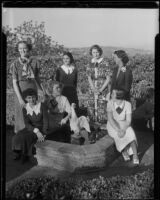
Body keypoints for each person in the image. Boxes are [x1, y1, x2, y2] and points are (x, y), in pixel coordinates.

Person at [10, 40, 44, 133]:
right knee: (21, 113)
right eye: (20, 48)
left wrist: (42, 90)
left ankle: (34, 134)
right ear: (18, 49)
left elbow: (37, 78)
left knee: (33, 112)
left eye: (24, 48)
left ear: (28, 48)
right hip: (21, 91)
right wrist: (20, 98)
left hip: (32, 90)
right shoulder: (15, 64)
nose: (22, 50)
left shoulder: (35, 62)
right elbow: (14, 83)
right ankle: (21, 135)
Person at [12, 89, 48, 164]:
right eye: (29, 98)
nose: (31, 99)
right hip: (30, 127)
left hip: (40, 127)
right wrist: (36, 131)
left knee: (26, 137)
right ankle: (18, 152)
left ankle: (25, 155)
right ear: (25, 99)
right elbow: (27, 123)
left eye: (33, 97)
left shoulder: (42, 106)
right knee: (17, 136)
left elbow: (45, 121)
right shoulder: (25, 108)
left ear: (36, 97)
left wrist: (44, 133)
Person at [106, 87, 139, 164]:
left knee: (131, 134)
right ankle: (124, 151)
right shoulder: (110, 103)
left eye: (112, 94)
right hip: (112, 125)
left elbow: (128, 120)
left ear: (118, 96)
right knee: (118, 135)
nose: (111, 96)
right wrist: (118, 129)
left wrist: (123, 129)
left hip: (125, 124)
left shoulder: (127, 104)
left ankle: (135, 154)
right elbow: (110, 119)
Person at [87, 44, 112, 123]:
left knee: (102, 106)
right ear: (91, 53)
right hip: (92, 88)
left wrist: (100, 90)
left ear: (100, 52)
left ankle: (102, 125)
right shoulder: (90, 63)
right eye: (94, 52)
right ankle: (92, 124)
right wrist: (93, 89)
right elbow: (89, 77)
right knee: (91, 106)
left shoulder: (105, 62)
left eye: (97, 52)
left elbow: (108, 78)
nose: (95, 54)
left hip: (103, 88)